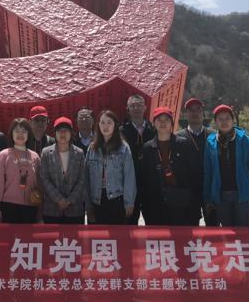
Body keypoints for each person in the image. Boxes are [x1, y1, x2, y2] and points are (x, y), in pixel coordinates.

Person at [142, 107, 201, 226]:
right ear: (154, 123)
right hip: (156, 202)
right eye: (159, 120)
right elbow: (144, 179)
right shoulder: (148, 148)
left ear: (172, 123)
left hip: (181, 201)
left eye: (166, 120)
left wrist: (194, 204)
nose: (163, 123)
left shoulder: (184, 144)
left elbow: (195, 174)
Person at [203, 104, 249, 227]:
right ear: (215, 121)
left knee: (244, 232)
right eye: (220, 119)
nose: (224, 122)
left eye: (227, 118)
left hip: (243, 196)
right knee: (227, 233)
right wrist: (207, 196)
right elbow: (208, 172)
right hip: (221, 196)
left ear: (233, 120)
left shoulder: (245, 140)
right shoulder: (210, 142)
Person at [85, 110, 136, 225]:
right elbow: (86, 178)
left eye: (109, 122)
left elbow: (129, 176)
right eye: (102, 122)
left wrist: (129, 202)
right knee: (96, 234)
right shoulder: (92, 148)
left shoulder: (123, 148)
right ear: (98, 125)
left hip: (117, 200)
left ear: (115, 125)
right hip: (96, 200)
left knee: (116, 234)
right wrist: (88, 204)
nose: (105, 126)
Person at [0, 118, 41, 224]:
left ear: (29, 134)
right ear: (11, 134)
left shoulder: (35, 156)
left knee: (27, 235)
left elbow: (40, 184)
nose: (20, 134)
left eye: (24, 131)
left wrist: (40, 208)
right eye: (17, 131)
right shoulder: (4, 155)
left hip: (30, 207)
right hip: (9, 206)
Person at [177, 98, 217, 225]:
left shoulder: (214, 135)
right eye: (191, 110)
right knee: (190, 228)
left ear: (203, 113)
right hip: (189, 191)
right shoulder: (178, 137)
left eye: (198, 110)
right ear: (186, 114)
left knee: (213, 227)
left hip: (210, 189)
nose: (195, 113)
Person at [40, 117, 86, 224]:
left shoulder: (79, 153)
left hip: (75, 209)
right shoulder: (46, 153)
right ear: (55, 133)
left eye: (66, 130)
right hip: (52, 209)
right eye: (59, 130)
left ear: (71, 133)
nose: (62, 133)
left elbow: (82, 179)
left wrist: (69, 200)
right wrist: (59, 200)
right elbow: (44, 178)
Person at [121, 94, 156, 225]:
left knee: (154, 224)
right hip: (129, 184)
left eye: (139, 105)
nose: (136, 108)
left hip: (150, 183)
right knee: (128, 224)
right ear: (128, 109)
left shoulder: (154, 129)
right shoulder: (121, 131)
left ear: (145, 107)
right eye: (133, 106)